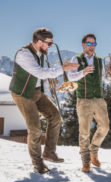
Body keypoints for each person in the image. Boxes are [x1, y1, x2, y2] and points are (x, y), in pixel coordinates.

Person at [9, 27, 79, 174]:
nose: (50, 46)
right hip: (22, 94)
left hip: (36, 91)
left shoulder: (40, 52)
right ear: (39, 42)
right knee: (35, 127)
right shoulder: (24, 54)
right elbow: (39, 72)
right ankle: (37, 162)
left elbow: (40, 76)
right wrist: (63, 68)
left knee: (55, 118)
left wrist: (50, 85)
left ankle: (49, 152)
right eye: (49, 43)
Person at [68, 33, 110, 173]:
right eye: (89, 43)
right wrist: (83, 72)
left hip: (99, 99)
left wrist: (110, 74)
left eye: (94, 44)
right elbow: (70, 76)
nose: (92, 46)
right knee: (84, 132)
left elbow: (105, 79)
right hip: (84, 100)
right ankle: (86, 161)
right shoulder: (76, 59)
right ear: (83, 45)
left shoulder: (99, 61)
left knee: (104, 127)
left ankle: (93, 151)